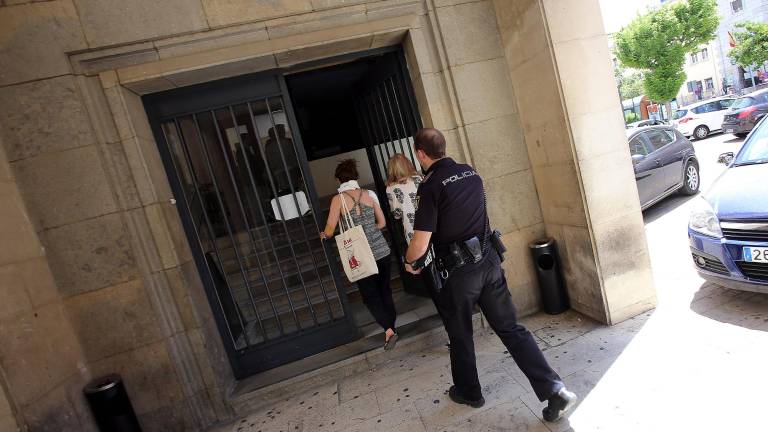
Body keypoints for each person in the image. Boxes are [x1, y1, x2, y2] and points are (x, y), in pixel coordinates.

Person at [403, 128, 576, 422]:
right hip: (489, 262)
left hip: (459, 272)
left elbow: (420, 241)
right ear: (443, 147)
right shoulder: (469, 172)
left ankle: (470, 391)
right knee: (511, 329)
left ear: (421, 154)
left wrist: (410, 261)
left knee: (460, 333)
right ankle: (554, 389)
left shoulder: (430, 186)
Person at [319, 159, 399, 350]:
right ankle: (392, 327)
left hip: (360, 256)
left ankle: (388, 330)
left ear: (339, 179)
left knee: (369, 295)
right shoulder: (369, 194)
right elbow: (382, 223)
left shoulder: (338, 200)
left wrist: (324, 234)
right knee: (385, 290)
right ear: (355, 177)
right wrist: (370, 231)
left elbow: (330, 230)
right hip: (381, 251)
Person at [385, 154, 422, 243]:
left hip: (411, 229)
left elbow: (397, 215)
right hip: (430, 222)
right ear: (407, 164)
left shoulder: (390, 189)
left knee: (419, 255)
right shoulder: (419, 179)